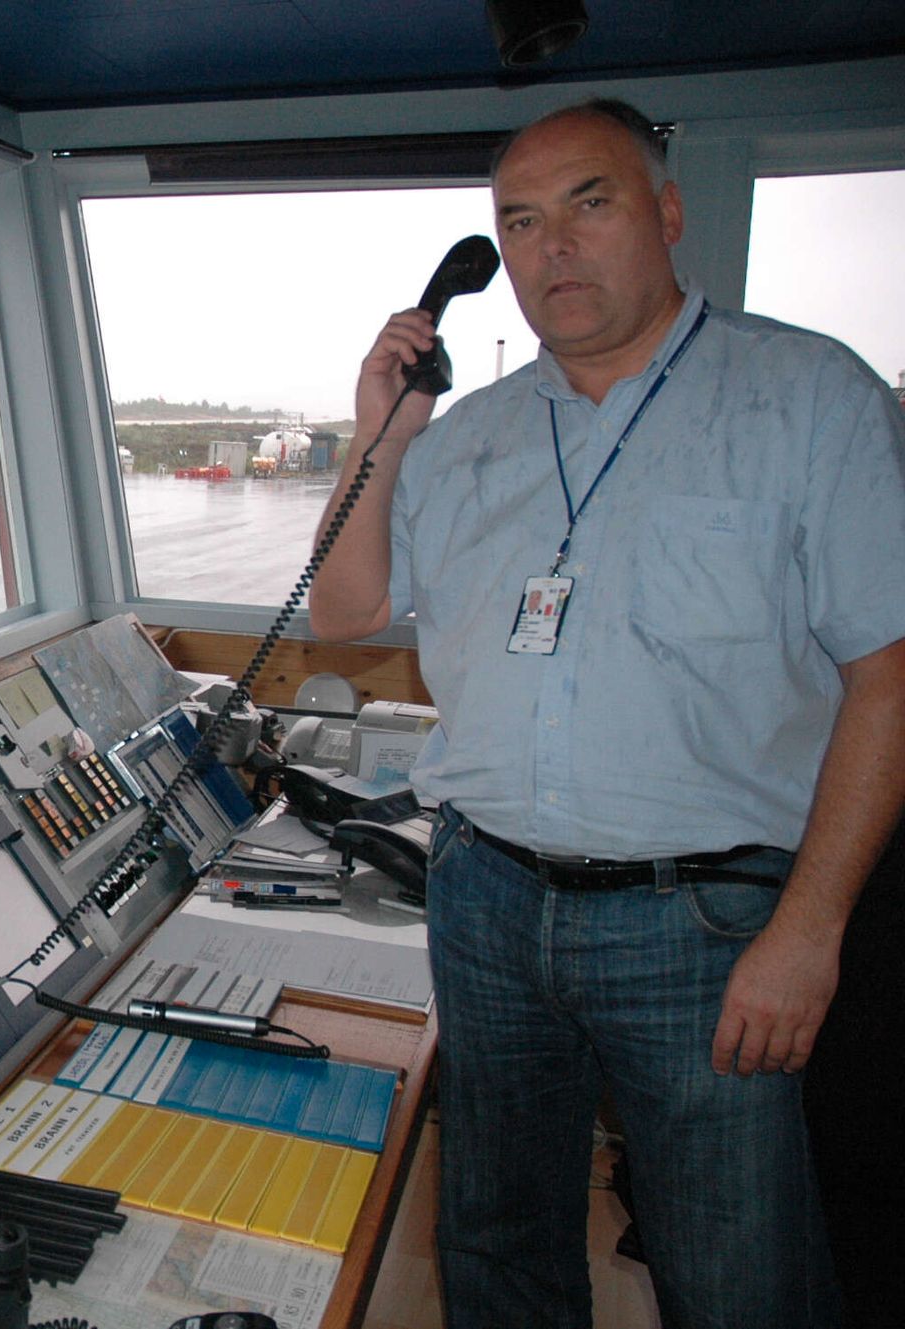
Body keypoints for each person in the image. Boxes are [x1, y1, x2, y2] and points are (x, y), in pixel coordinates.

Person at [307, 98, 905, 1329]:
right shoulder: (462, 438)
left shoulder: (808, 398)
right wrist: (381, 429)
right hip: (482, 897)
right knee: (496, 1242)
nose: (551, 248)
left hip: (704, 919)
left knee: (735, 1269)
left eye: (589, 203)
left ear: (667, 213)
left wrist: (809, 929)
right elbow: (343, 612)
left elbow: (887, 677)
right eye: (517, 222)